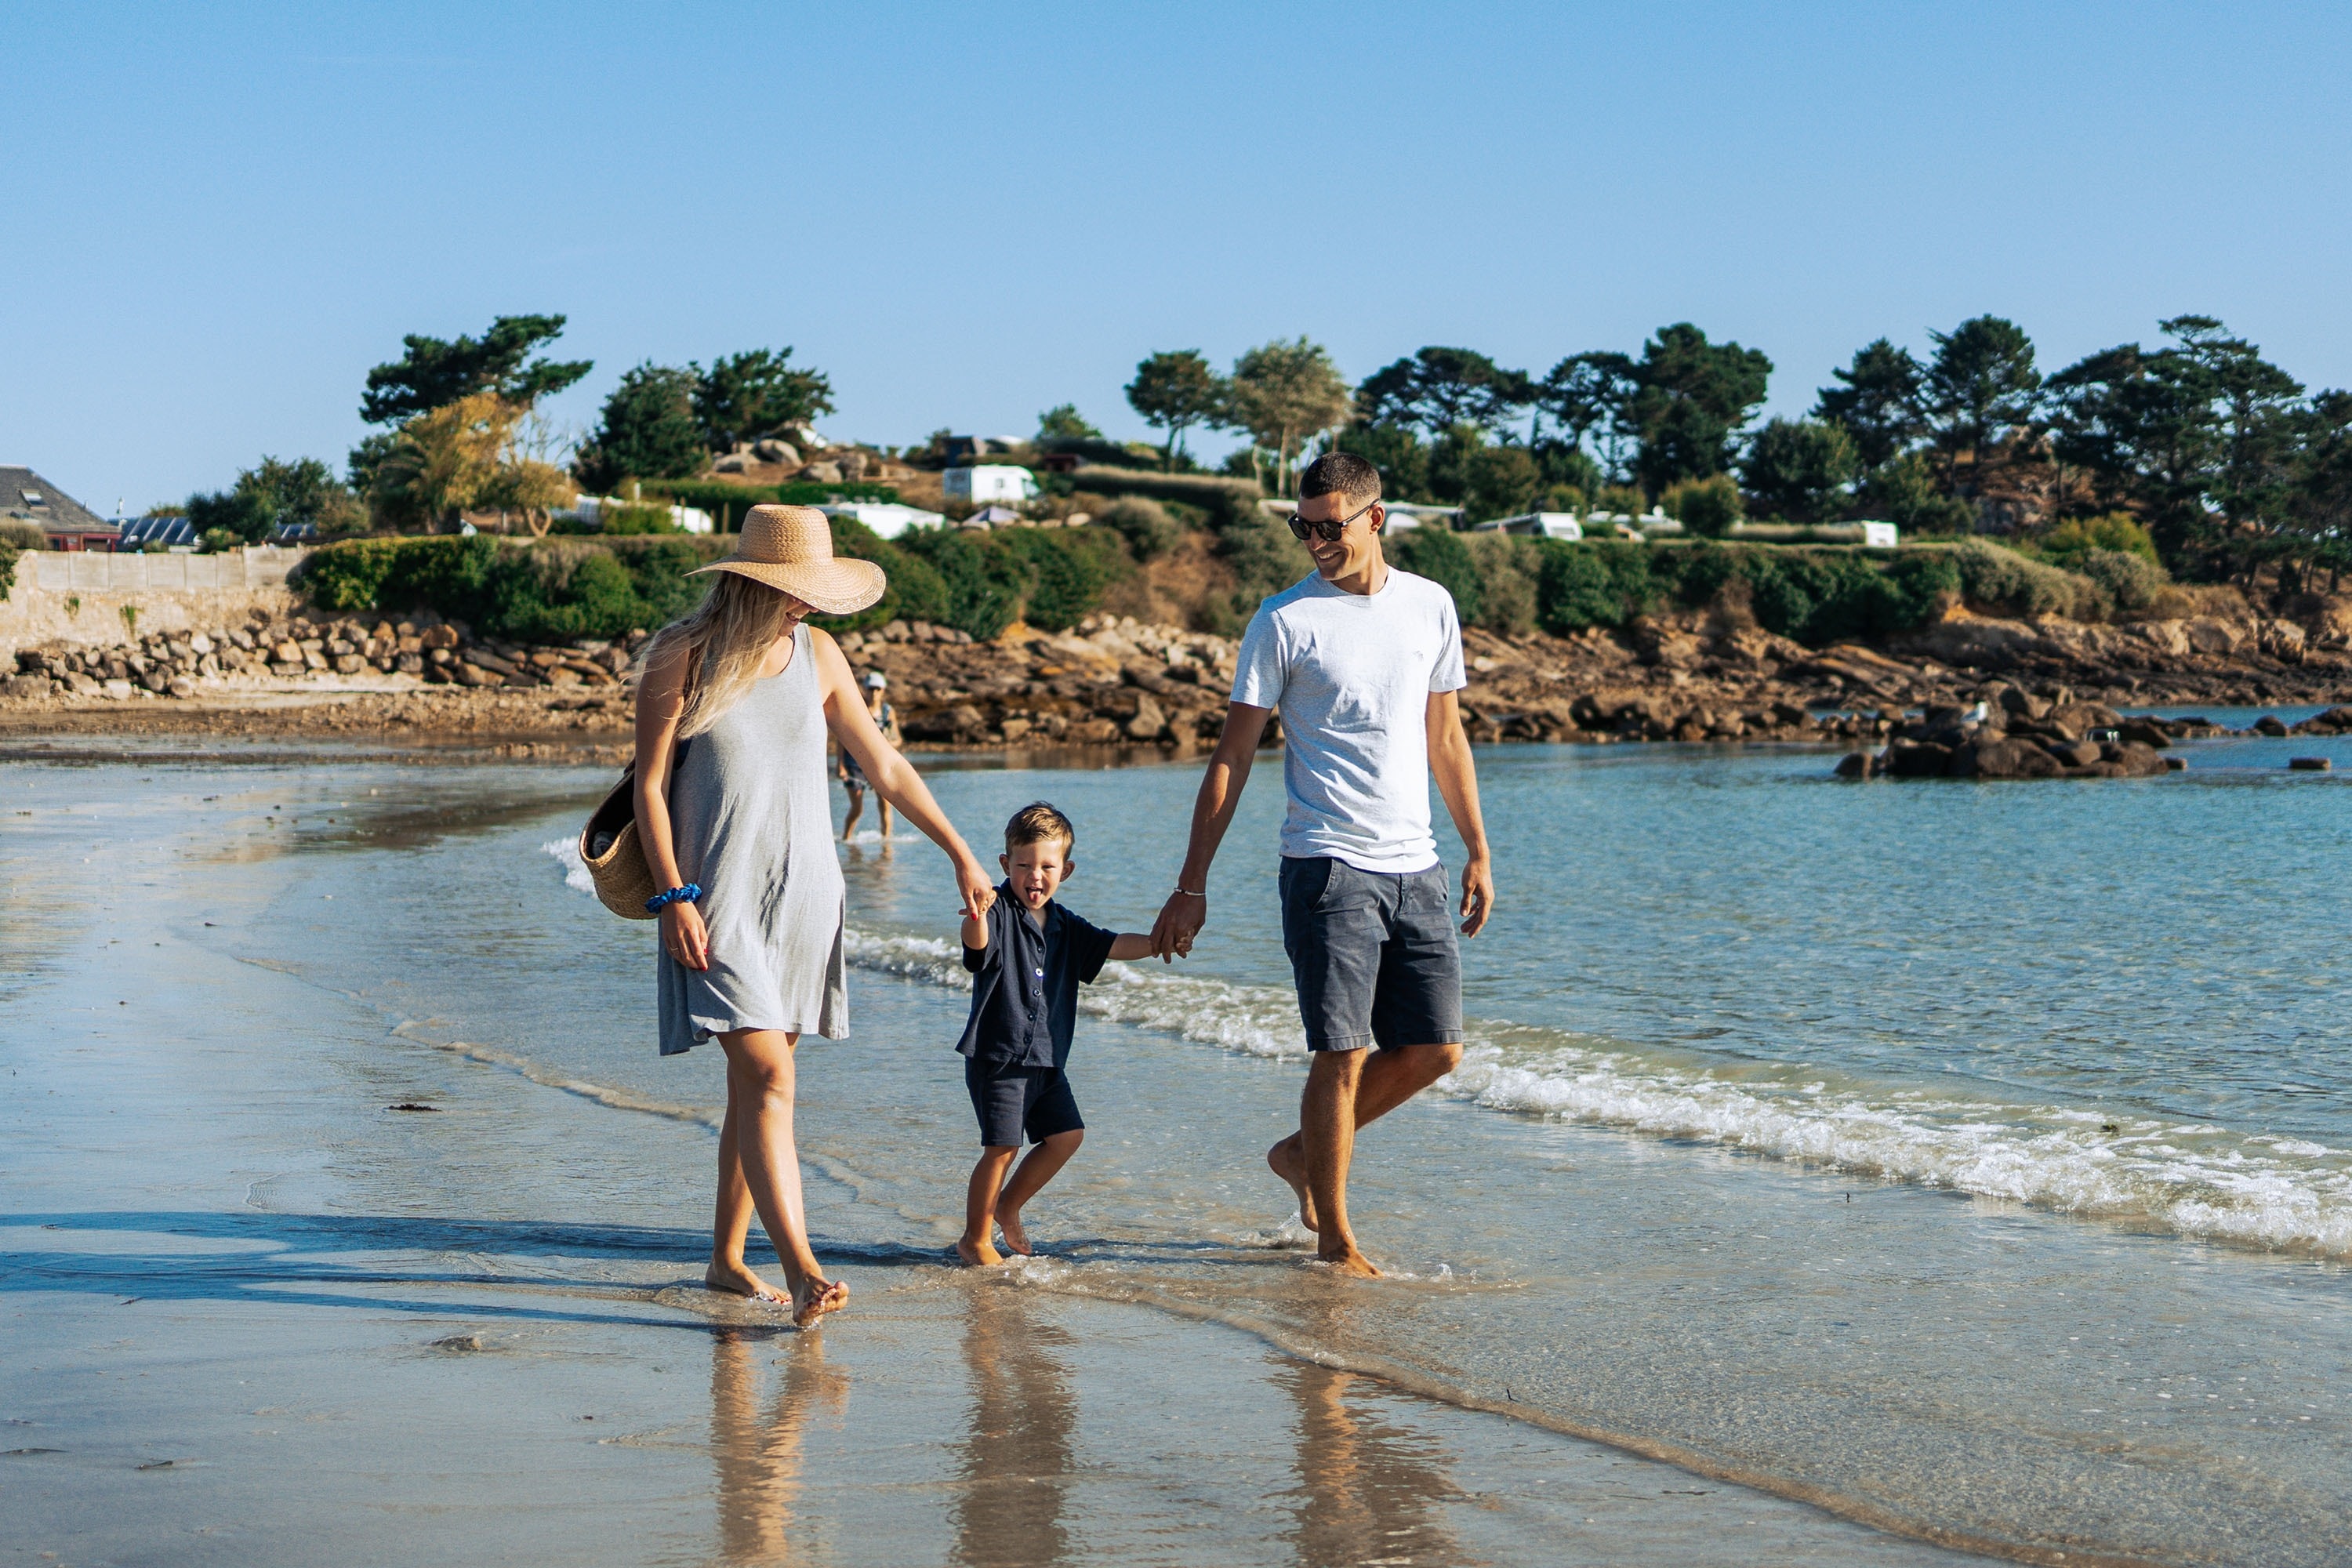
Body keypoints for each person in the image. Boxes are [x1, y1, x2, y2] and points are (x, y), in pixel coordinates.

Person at [635, 504, 997, 1325]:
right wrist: (673, 895)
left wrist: (959, 850)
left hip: (804, 897)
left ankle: (727, 1260)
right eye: (796, 590)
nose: (807, 604)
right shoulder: (681, 654)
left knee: (753, 1087)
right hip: (715, 898)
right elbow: (650, 785)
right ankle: (803, 1270)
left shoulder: (820, 653)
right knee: (769, 1077)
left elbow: (885, 765)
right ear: (754, 582)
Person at [1148, 452, 1495, 1278]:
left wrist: (1478, 847)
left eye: (1329, 527)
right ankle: (1336, 1240)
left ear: (1376, 518)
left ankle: (1302, 1154)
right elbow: (1233, 756)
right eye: (1302, 528)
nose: (1315, 542)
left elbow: (1445, 737)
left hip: (1418, 866)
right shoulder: (1284, 620)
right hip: (1327, 866)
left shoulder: (1430, 605)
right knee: (1341, 1053)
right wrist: (1191, 882)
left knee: (1436, 1049)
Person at [955, 802, 1159, 1266]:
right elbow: (976, 947)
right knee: (1002, 1148)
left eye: (1047, 867)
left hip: (1048, 1060)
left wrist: (1159, 942)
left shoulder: (1067, 925)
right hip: (1000, 1057)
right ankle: (975, 1239)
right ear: (1005, 865)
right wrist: (976, 914)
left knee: (1066, 1136)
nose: (1035, 876)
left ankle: (1008, 1205)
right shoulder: (997, 912)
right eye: (1023, 865)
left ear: (1065, 871)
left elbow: (1114, 945)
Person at [839, 670, 901, 840]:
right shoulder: (857, 709)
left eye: (877, 689)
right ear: (865, 690)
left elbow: (897, 739)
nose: (874, 693)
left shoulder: (887, 712)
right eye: (871, 689)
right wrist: (841, 765)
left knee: (885, 804)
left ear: (883, 691)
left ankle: (886, 843)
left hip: (878, 763)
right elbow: (842, 738)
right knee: (857, 808)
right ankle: (846, 840)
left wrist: (883, 745)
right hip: (854, 763)